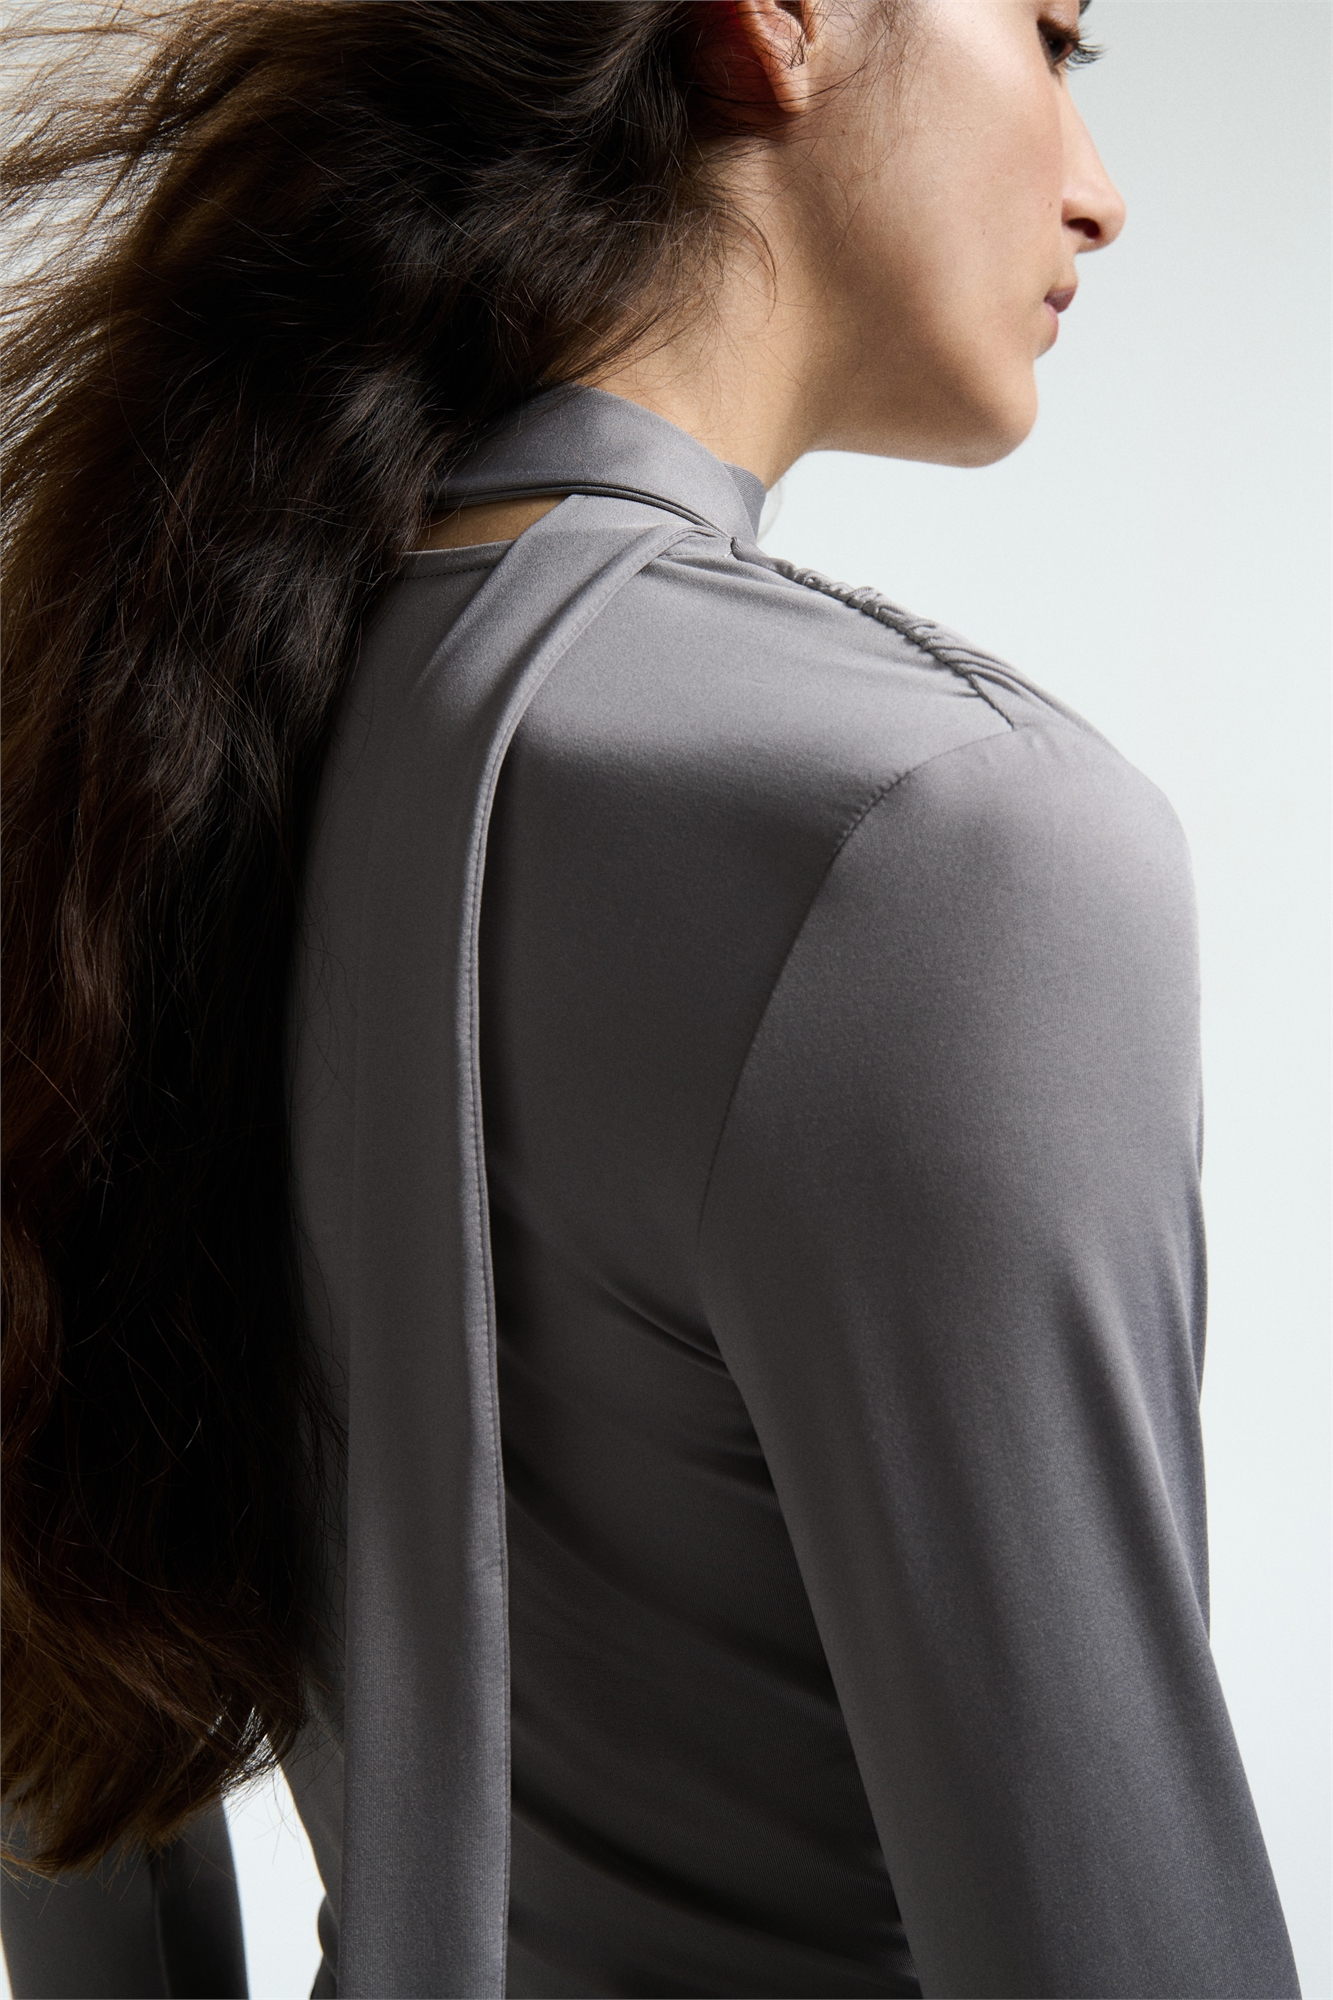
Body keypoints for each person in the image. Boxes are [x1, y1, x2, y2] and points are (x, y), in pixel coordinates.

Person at [0, 2, 1302, 1996]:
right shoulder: (940, 838)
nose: (1097, 191)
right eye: (1049, 38)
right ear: (776, 18)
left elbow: (67, 1742)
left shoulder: (160, 724)